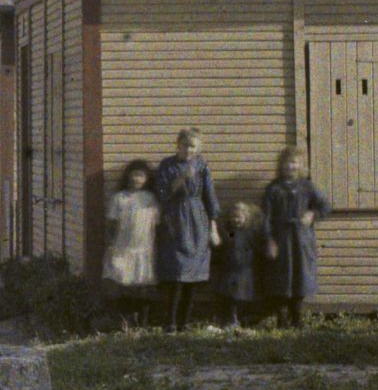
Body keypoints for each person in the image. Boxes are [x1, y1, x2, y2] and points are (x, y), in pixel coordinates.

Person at [152, 128, 220, 331]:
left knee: (193, 273)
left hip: (198, 219)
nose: (188, 150)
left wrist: (213, 228)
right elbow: (162, 194)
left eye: (193, 146)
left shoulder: (202, 165)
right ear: (178, 145)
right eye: (185, 145)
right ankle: (170, 322)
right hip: (175, 219)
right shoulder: (167, 165)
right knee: (176, 272)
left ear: (198, 148)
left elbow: (210, 197)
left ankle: (184, 322)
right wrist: (181, 178)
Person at [261, 147, 331, 327]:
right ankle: (282, 319)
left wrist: (312, 214)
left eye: (294, 163)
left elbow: (325, 206)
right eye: (287, 163)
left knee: (300, 275)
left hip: (301, 239)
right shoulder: (273, 188)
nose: (290, 166)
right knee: (280, 277)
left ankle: (297, 318)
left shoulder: (307, 186)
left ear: (300, 165)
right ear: (281, 165)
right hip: (280, 238)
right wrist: (269, 240)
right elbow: (265, 217)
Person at [103, 159, 160, 325]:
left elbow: (157, 224)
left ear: (147, 178)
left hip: (144, 248)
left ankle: (142, 321)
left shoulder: (150, 198)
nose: (137, 179)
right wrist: (112, 243)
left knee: (142, 286)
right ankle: (125, 320)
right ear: (128, 176)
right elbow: (111, 223)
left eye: (141, 176)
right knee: (123, 283)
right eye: (134, 175)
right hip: (123, 247)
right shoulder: (120, 198)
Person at [213, 201, 265, 327]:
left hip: (245, 269)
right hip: (229, 268)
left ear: (245, 217)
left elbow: (257, 248)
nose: (236, 220)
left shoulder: (250, 232)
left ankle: (243, 318)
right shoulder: (227, 231)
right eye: (233, 217)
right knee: (229, 295)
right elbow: (222, 246)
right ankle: (231, 318)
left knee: (242, 295)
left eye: (239, 217)